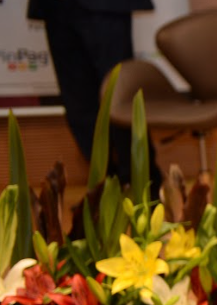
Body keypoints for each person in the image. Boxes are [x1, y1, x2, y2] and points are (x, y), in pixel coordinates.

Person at [26, 0, 163, 193]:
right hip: (56, 8)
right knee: (78, 105)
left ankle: (143, 187)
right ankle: (105, 189)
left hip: (105, 5)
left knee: (119, 98)